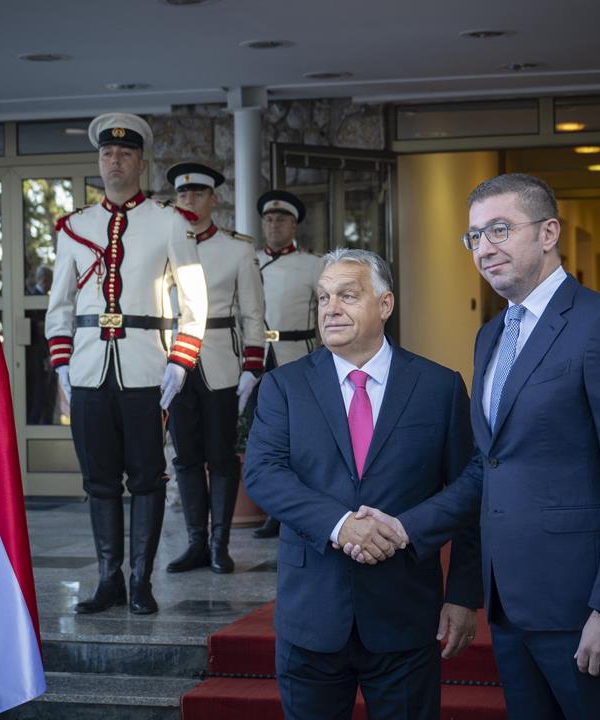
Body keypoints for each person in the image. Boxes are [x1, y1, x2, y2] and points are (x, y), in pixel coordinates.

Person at [351, 174, 600, 719]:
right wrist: (405, 527)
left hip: (582, 606)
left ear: (548, 233)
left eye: (500, 229)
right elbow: (487, 467)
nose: (484, 248)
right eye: (474, 236)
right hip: (511, 607)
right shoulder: (491, 335)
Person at [244, 249, 481, 720]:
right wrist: (339, 525)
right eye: (324, 297)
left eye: (348, 296)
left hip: (406, 616)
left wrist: (462, 594)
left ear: (386, 304)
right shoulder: (284, 387)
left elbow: (469, 489)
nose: (331, 308)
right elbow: (262, 474)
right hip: (311, 619)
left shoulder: (438, 387)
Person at [45, 113, 208, 615]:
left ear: (140, 162)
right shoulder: (75, 228)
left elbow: (194, 303)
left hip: (145, 369)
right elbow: (60, 305)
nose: (114, 160)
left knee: (146, 477)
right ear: (99, 162)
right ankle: (107, 579)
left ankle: (141, 581)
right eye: (106, 154)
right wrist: (62, 365)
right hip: (90, 369)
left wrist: (181, 363)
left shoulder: (168, 223)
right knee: (97, 480)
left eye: (125, 154)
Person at [164, 161, 265, 575]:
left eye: (198, 194)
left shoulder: (238, 249)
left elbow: (255, 314)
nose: (190, 201)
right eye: (183, 194)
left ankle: (220, 545)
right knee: (185, 457)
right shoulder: (162, 246)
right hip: (174, 366)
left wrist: (252, 366)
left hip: (222, 362)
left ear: (213, 199)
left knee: (221, 456)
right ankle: (194, 544)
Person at [250, 189, 324, 539]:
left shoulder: (313, 264)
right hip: (257, 357)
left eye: (281, 219)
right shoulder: (250, 261)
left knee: (301, 437)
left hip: (297, 353)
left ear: (294, 224)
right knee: (266, 437)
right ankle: (271, 509)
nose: (274, 225)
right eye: (268, 219)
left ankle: (296, 509)